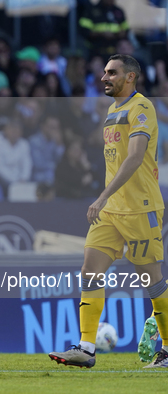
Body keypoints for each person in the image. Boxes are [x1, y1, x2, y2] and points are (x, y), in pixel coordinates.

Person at [48, 54, 168, 368]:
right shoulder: (113, 111)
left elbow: (135, 158)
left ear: (130, 77)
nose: (104, 77)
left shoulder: (141, 108)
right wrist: (106, 201)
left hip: (140, 208)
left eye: (112, 72)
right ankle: (86, 349)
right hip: (112, 211)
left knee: (153, 283)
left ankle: (167, 351)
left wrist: (100, 196)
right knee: (89, 271)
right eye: (104, 72)